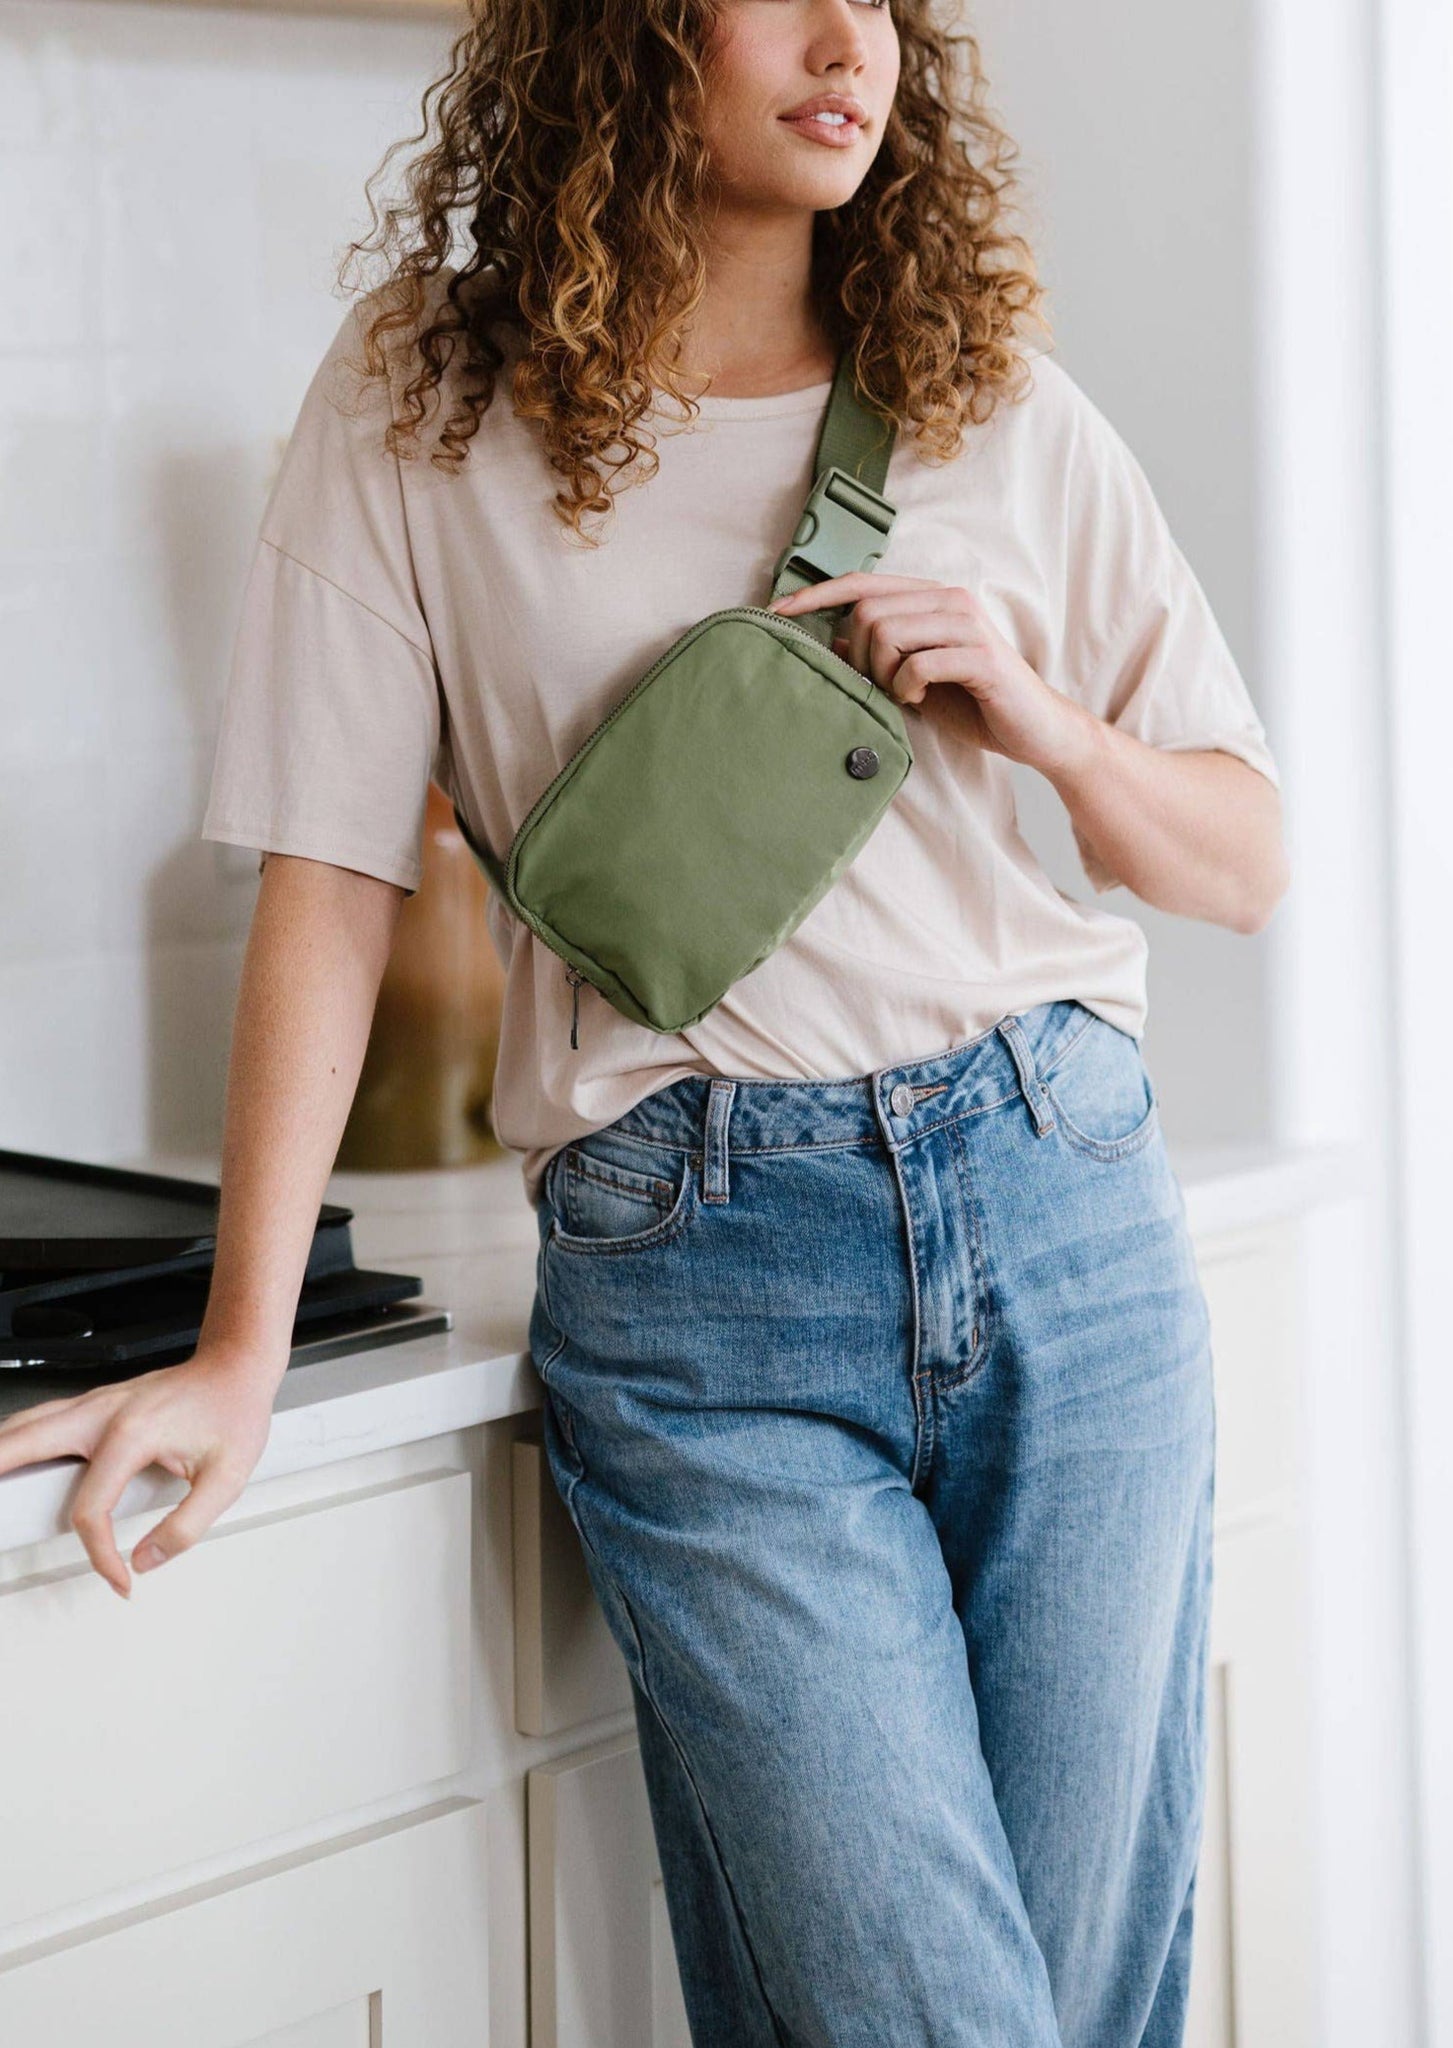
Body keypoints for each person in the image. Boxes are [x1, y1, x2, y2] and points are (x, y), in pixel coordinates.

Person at [0, 1, 1289, 2041]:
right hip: (702, 1288)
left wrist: (1037, 715)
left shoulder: (988, 397)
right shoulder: (422, 396)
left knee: (1077, 2005)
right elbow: (331, 878)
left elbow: (1237, 853)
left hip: (1065, 1210)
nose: (842, 38)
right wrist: (240, 1350)